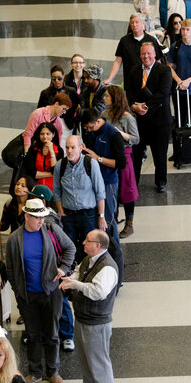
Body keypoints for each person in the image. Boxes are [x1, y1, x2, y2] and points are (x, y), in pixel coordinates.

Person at [4, 199, 75, 383]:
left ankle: (53, 371)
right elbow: (11, 269)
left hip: (51, 293)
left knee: (52, 334)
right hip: (28, 296)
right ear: (27, 216)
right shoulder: (14, 239)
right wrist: (18, 292)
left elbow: (70, 248)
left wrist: (63, 268)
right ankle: (35, 372)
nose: (41, 222)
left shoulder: (52, 230)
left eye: (42, 218)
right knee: (33, 335)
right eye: (37, 218)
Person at [59, 229, 118, 383]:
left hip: (97, 322)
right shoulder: (88, 260)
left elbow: (98, 292)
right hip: (83, 318)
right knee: (85, 356)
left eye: (87, 240)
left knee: (98, 358)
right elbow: (78, 273)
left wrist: (75, 285)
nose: (83, 243)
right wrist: (69, 279)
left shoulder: (107, 267)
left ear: (98, 245)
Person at [80, 108, 126, 278]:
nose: (89, 131)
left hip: (108, 184)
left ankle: (117, 274)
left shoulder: (113, 135)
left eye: (90, 127)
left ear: (98, 121)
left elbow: (121, 163)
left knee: (109, 226)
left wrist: (98, 158)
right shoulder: (90, 132)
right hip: (92, 182)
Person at [125, 42, 173, 193]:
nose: (146, 56)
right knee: (136, 154)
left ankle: (161, 182)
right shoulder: (133, 70)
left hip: (160, 121)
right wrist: (133, 106)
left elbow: (163, 93)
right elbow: (129, 91)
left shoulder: (164, 70)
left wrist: (145, 106)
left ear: (154, 54)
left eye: (149, 53)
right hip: (139, 121)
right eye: (143, 54)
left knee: (160, 154)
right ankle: (134, 182)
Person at [53, 135, 107, 261]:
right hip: (69, 216)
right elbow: (56, 191)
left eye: (73, 147)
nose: (69, 151)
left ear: (81, 147)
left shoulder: (90, 164)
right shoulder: (60, 166)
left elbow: (100, 191)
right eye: (67, 148)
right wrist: (61, 212)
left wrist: (101, 216)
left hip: (88, 215)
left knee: (90, 249)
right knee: (68, 248)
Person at [102, 85, 139, 238]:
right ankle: (113, 220)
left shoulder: (127, 117)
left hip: (124, 154)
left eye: (107, 96)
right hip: (108, 154)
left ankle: (129, 223)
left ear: (115, 98)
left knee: (127, 188)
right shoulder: (104, 114)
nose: (104, 98)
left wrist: (119, 133)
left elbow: (135, 139)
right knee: (111, 190)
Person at [104, 15, 166, 85]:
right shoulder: (124, 41)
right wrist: (110, 79)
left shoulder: (151, 40)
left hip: (149, 81)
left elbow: (158, 62)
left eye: (137, 22)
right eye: (132, 23)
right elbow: (118, 61)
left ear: (143, 24)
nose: (134, 25)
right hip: (130, 82)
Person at [22, 122, 60, 192]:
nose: (45, 137)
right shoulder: (33, 149)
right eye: (42, 134)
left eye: (48, 134)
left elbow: (55, 170)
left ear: (53, 135)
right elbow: (32, 172)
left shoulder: (59, 150)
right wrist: (50, 174)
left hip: (53, 186)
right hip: (35, 184)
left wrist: (51, 151)